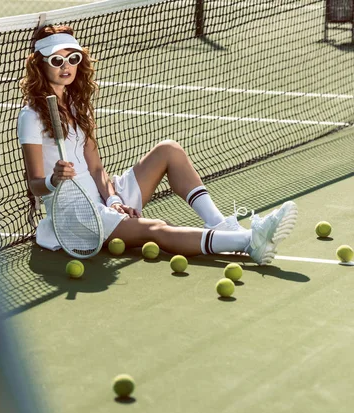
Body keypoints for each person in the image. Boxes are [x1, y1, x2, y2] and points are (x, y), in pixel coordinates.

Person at [18, 25, 298, 265]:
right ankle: (250, 241)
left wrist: (114, 200)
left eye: (73, 58)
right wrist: (54, 180)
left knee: (169, 150)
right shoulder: (31, 117)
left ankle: (220, 224)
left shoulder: (78, 106)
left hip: (103, 197)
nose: (66, 67)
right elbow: (35, 185)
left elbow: (96, 167)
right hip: (77, 216)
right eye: (57, 61)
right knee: (156, 228)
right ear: (40, 65)